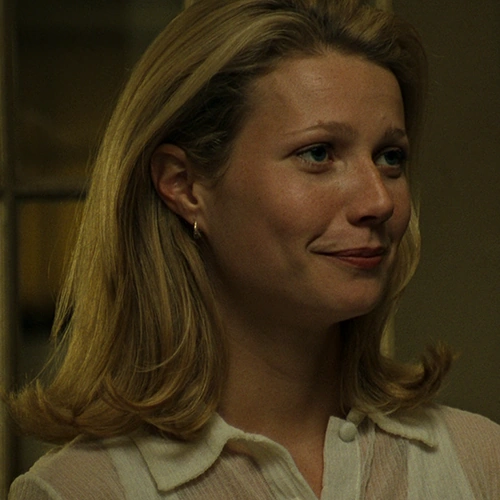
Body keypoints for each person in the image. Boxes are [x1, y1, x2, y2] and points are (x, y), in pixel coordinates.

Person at [7, 0, 500, 498]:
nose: (379, 201)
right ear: (184, 184)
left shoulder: (476, 463)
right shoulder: (79, 491)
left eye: (390, 158)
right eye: (319, 154)